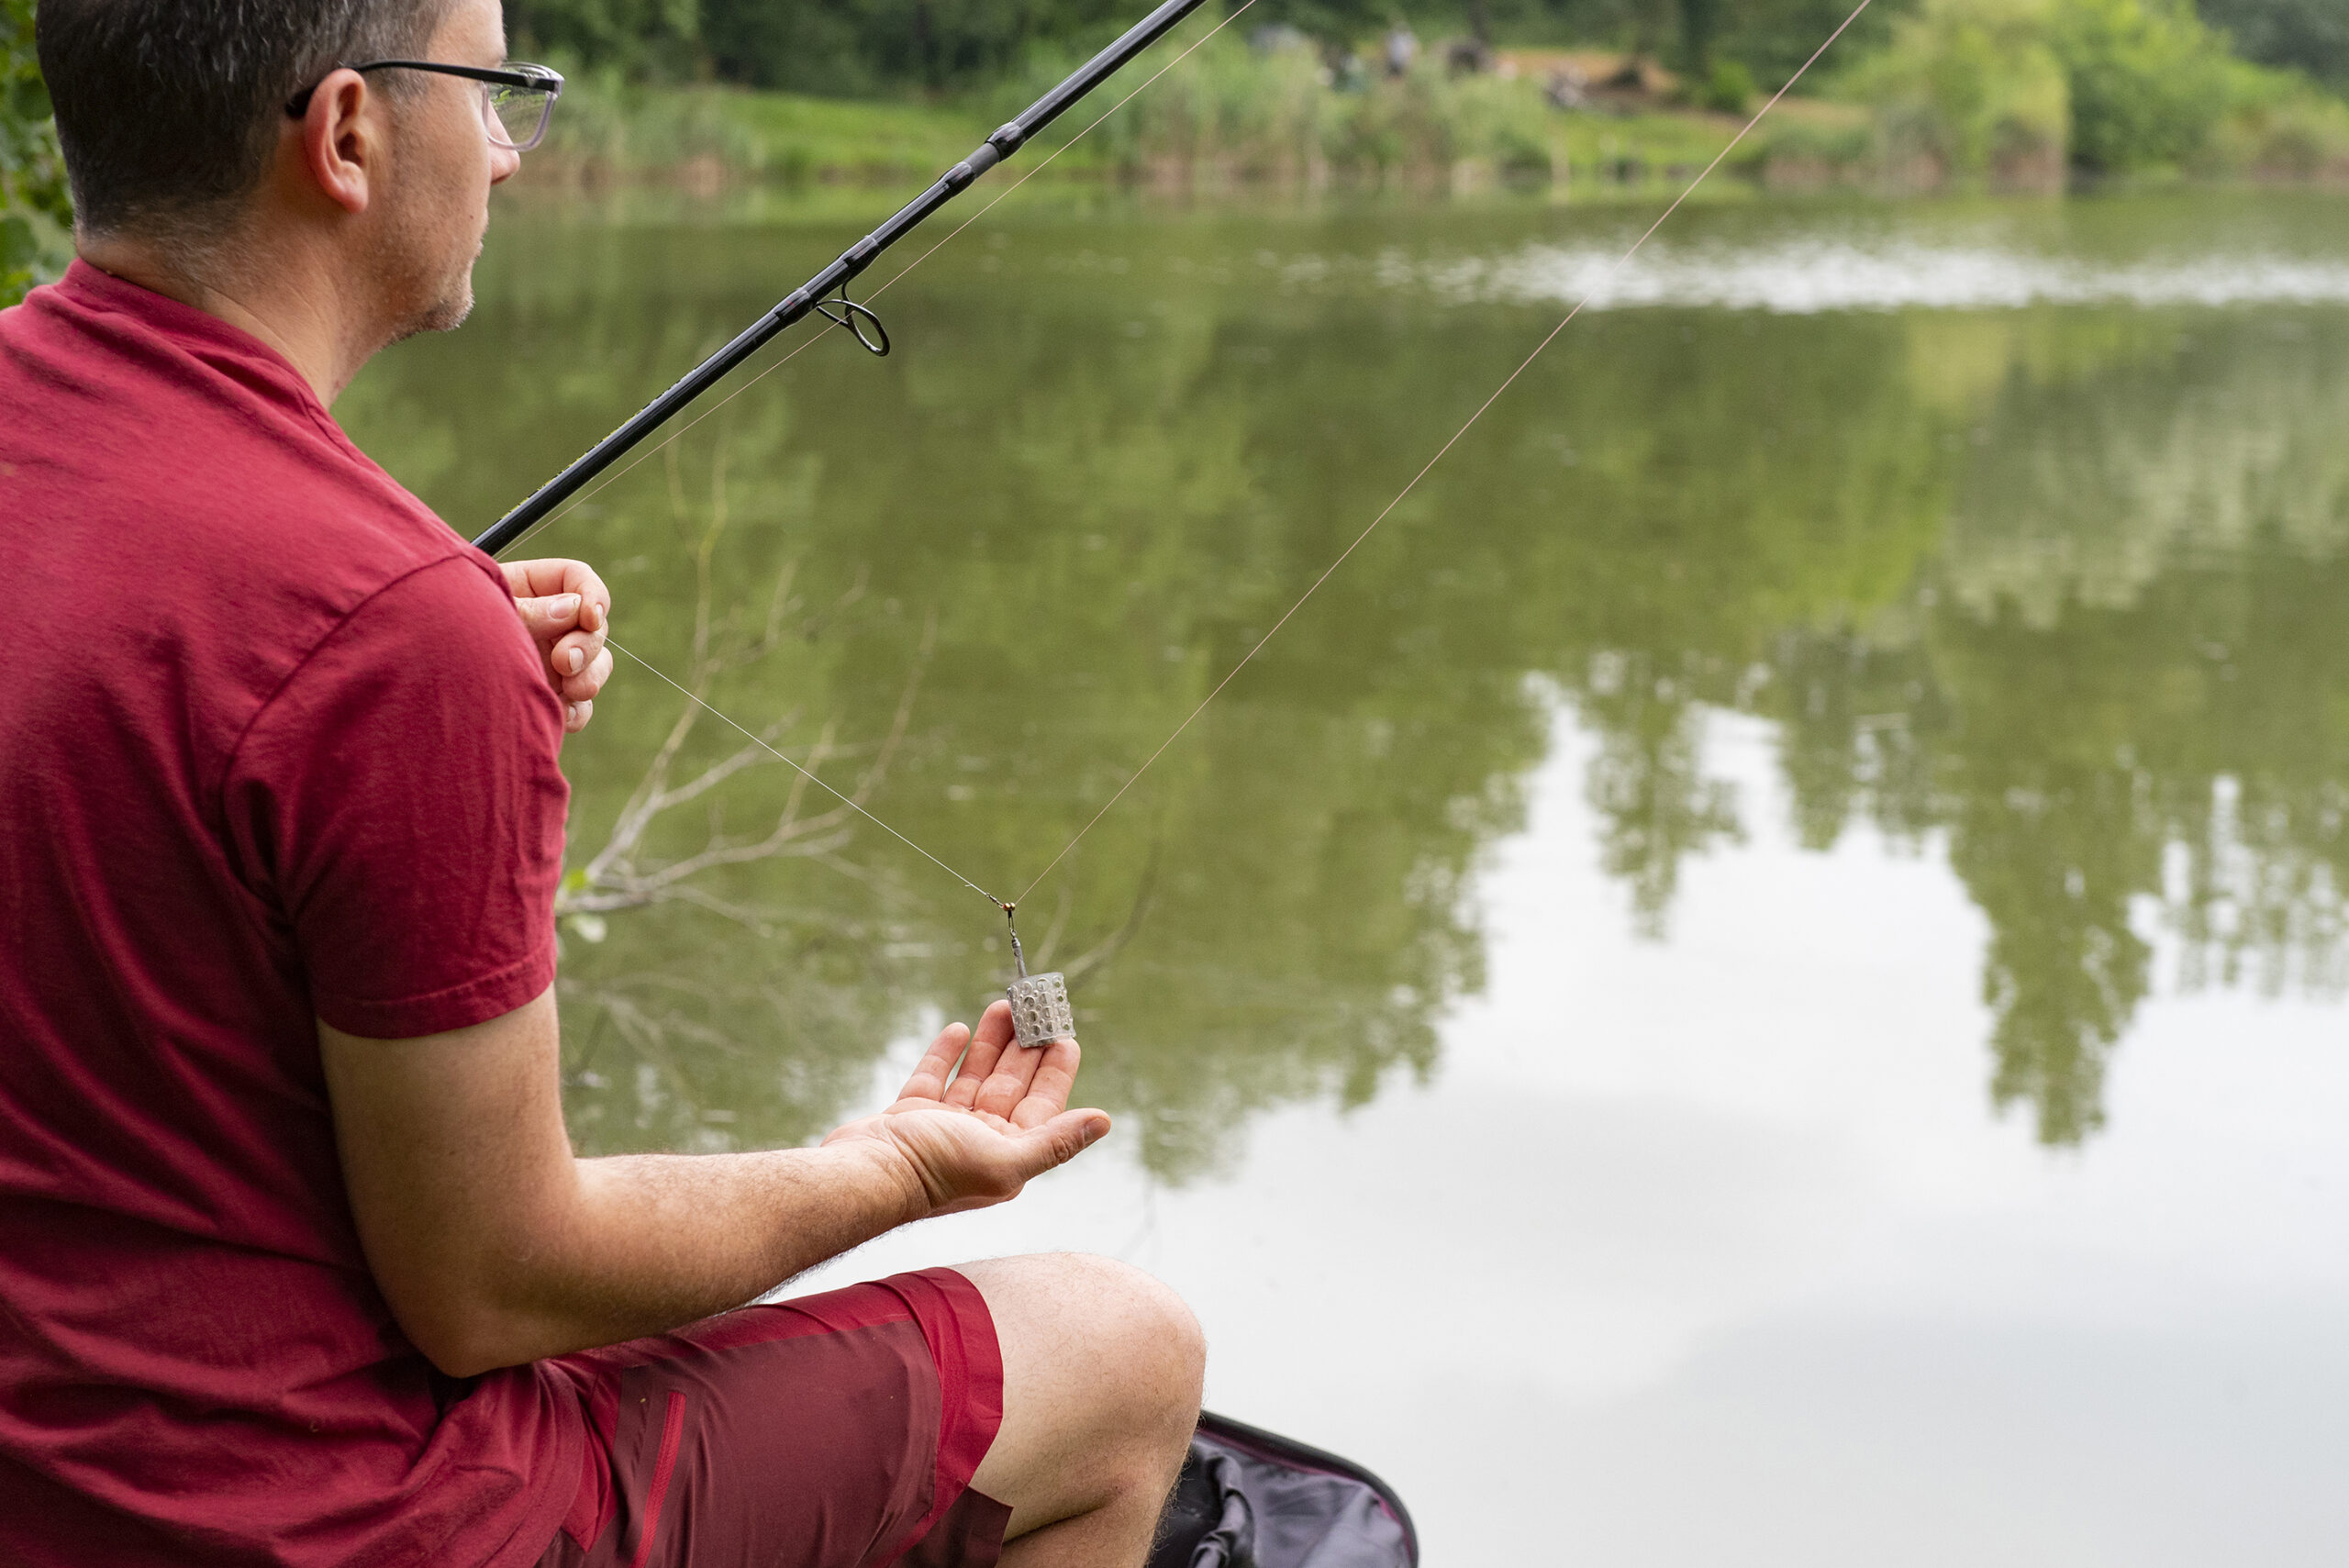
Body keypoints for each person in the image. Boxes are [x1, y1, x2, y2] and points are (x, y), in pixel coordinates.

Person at [0, 1, 1204, 1564]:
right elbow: (495, 1287)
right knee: (1118, 1354)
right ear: (350, 135)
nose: (508, 152)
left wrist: (403, 692)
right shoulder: (387, 633)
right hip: (303, 1518)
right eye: (495, 93)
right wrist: (896, 1166)